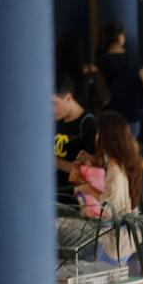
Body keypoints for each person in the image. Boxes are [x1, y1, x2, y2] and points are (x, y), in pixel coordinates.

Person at [74, 111, 143, 284]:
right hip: (123, 243)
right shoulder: (122, 165)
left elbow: (109, 211)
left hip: (113, 242)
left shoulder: (115, 171)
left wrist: (88, 209)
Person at [96, 21, 143, 138]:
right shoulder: (133, 58)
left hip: (112, 117)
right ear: (120, 36)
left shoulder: (102, 61)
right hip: (133, 114)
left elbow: (103, 95)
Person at [53, 76, 98, 204]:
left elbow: (94, 171)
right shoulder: (57, 122)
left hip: (77, 201)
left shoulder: (88, 124)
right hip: (57, 197)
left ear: (68, 98)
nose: (51, 109)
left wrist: (55, 162)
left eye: (53, 103)